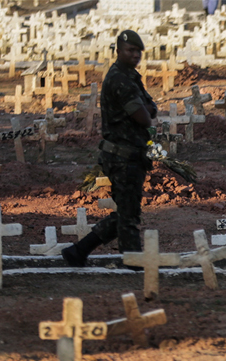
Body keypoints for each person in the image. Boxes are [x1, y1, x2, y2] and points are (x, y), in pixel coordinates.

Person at [63, 30, 158, 267]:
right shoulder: (120, 80)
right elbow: (145, 118)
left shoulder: (130, 77)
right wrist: (146, 110)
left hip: (129, 154)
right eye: (130, 50)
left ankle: (79, 251)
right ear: (118, 50)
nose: (135, 55)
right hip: (123, 157)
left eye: (138, 51)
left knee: (127, 213)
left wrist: (147, 110)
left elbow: (151, 108)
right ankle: (134, 264)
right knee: (128, 217)